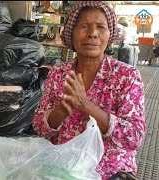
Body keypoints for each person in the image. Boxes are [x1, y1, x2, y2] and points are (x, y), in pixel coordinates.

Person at [32, 1, 146, 180]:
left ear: (110, 35)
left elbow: (134, 137)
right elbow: (40, 128)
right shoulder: (58, 74)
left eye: (100, 27)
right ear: (71, 33)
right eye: (84, 26)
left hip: (109, 169)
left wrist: (86, 106)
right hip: (63, 166)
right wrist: (61, 111)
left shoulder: (127, 76)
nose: (92, 34)